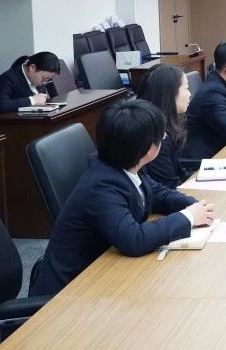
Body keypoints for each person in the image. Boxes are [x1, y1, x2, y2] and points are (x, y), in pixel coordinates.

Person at [29, 100, 215, 296]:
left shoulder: (124, 161)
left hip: (103, 273)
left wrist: (193, 205)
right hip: (69, 293)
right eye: (162, 136)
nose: (164, 139)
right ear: (148, 148)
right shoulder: (101, 186)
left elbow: (158, 193)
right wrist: (189, 217)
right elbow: (134, 239)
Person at [137, 64, 191, 189]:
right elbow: (168, 187)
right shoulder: (156, 137)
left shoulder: (166, 124)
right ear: (169, 93)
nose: (189, 94)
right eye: (186, 88)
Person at [0, 51, 60, 115]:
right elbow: (0, 105)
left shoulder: (41, 78)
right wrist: (32, 100)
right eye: (44, 78)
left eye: (48, 79)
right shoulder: (8, 78)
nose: (45, 83)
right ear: (32, 68)